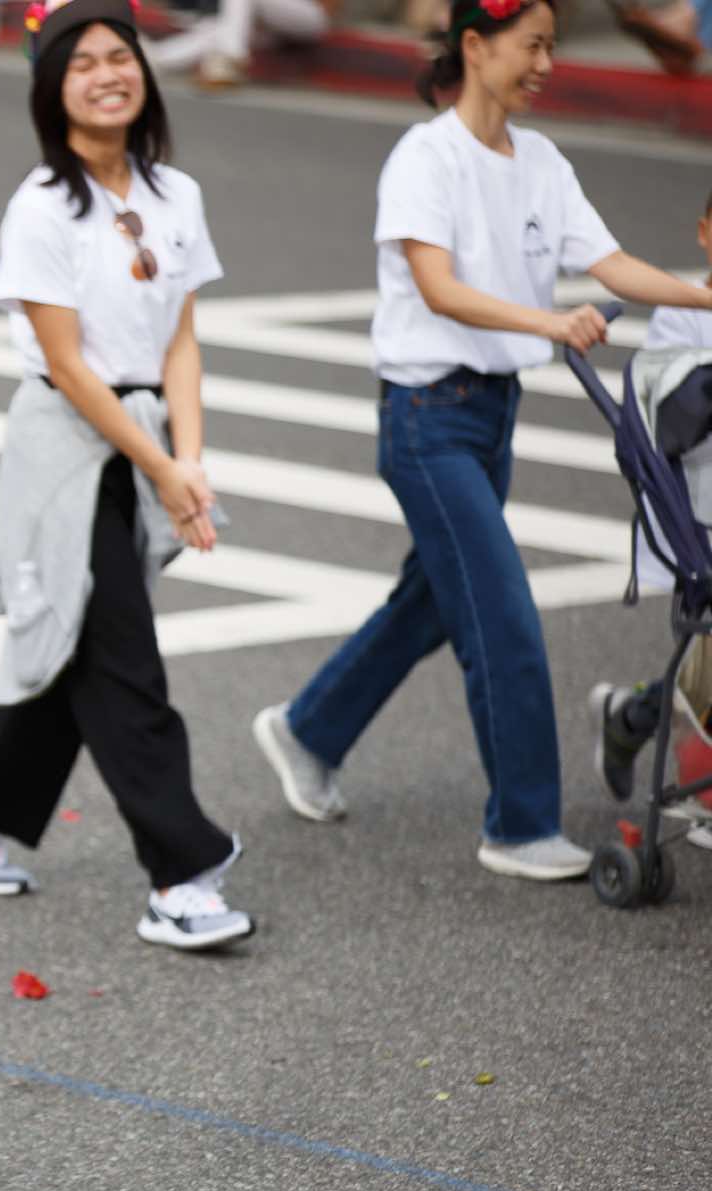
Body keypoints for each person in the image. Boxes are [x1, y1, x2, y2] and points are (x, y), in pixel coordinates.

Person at [252, 0, 712, 879]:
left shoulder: (539, 162)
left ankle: (307, 731)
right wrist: (548, 319)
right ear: (474, 44)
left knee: (430, 599)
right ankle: (520, 824)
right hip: (427, 419)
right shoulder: (425, 158)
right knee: (501, 616)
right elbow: (438, 287)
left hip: (491, 415)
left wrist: (705, 296)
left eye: (551, 47)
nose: (545, 64)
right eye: (532, 45)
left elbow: (613, 264)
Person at [0, 0, 254, 952]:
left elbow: (180, 339)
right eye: (83, 63)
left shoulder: (175, 194)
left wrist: (188, 458)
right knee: (122, 654)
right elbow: (67, 366)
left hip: (142, 438)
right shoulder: (40, 209)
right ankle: (182, 873)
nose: (108, 74)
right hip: (67, 447)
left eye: (120, 56)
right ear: (52, 90)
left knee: (74, 643)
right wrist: (162, 467)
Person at [590, 183, 712, 806]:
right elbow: (679, 410)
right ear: (705, 233)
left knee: (704, 676)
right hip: (701, 518)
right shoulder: (683, 315)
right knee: (705, 675)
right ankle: (638, 721)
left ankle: (632, 716)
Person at [147, 0, 339, 89]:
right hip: (266, 18)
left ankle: (231, 56)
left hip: (310, 17)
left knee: (226, 30)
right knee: (216, 30)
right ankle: (155, 59)